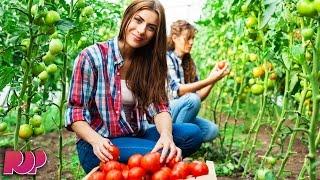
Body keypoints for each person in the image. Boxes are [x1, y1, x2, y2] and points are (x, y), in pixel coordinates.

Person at [65, 0, 203, 174]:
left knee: (193, 134)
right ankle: (133, 168)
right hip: (101, 145)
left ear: (156, 34)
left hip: (134, 135)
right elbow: (75, 113)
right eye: (138, 20)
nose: (141, 31)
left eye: (151, 27)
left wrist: (166, 136)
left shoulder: (149, 63)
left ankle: (135, 168)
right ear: (127, 17)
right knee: (159, 155)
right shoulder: (92, 57)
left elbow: (159, 107)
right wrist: (96, 141)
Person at [166, 20, 230, 142]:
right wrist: (209, 79)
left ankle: (177, 138)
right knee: (192, 99)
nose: (191, 42)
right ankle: (176, 147)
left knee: (212, 130)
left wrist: (213, 79)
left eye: (193, 38)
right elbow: (178, 90)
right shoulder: (166, 58)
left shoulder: (188, 63)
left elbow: (199, 96)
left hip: (180, 113)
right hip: (165, 112)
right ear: (174, 38)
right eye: (188, 38)